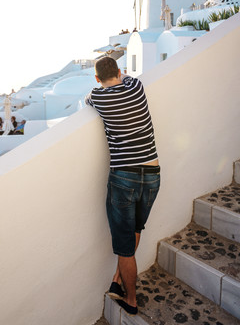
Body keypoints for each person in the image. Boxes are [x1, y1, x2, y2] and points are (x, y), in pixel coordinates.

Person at [85, 56, 160, 316]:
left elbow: (88, 99)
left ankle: (131, 300)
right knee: (136, 228)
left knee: (125, 247)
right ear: (119, 71)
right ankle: (117, 279)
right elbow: (128, 79)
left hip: (124, 177)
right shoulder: (136, 88)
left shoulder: (99, 96)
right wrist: (122, 76)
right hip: (152, 173)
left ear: (97, 78)